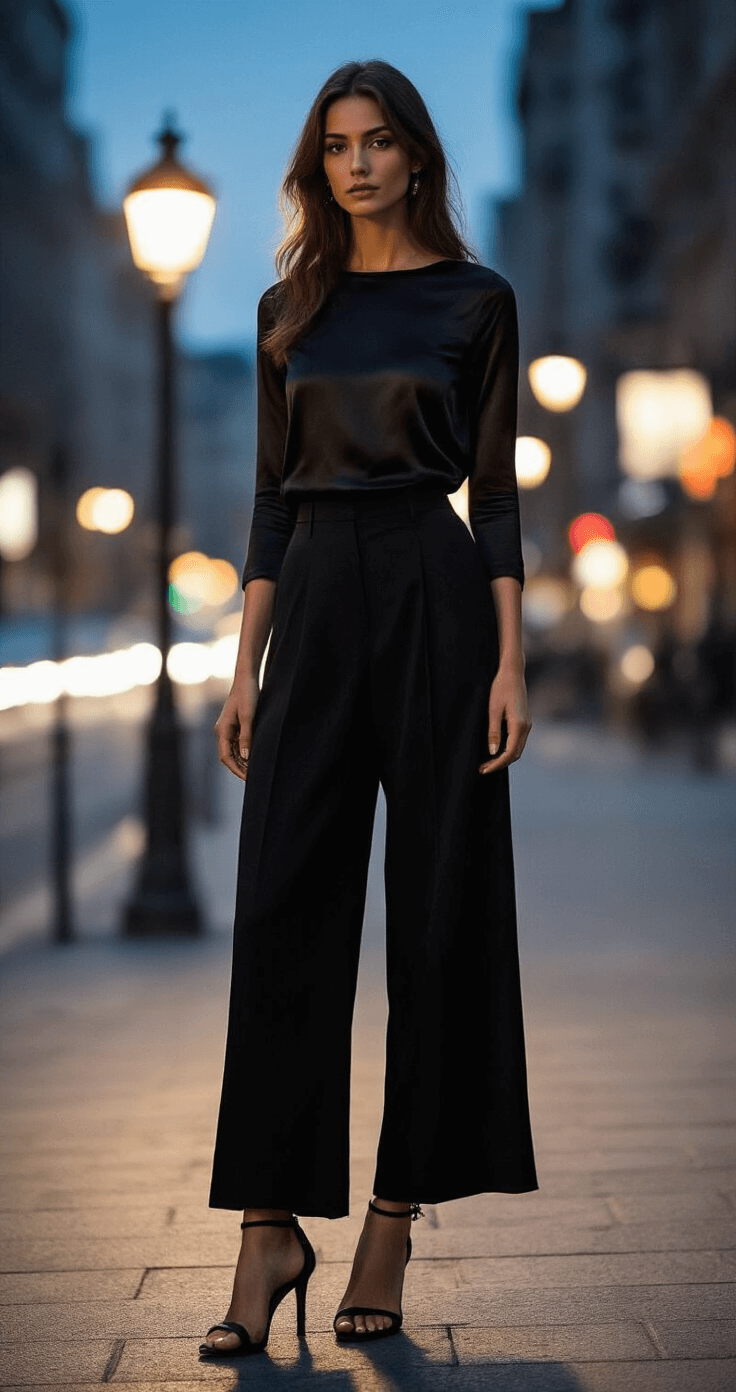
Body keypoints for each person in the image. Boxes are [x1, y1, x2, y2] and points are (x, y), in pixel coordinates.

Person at [199, 58, 537, 1360]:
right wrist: (246, 665)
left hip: (438, 599)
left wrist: (512, 661)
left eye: (379, 141)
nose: (357, 162)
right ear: (315, 163)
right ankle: (267, 1228)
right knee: (284, 902)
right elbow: (272, 500)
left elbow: (496, 498)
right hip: (318, 608)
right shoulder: (292, 309)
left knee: (441, 909)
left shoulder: (478, 301)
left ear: (414, 158)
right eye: (336, 143)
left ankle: (395, 1216)